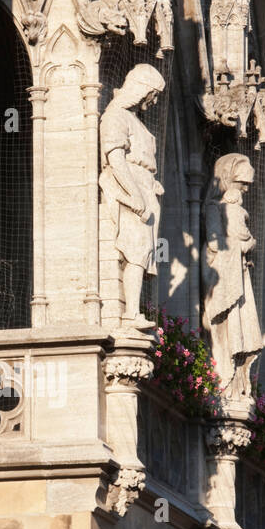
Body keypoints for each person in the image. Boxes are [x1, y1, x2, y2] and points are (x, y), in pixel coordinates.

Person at [99, 63, 166, 331]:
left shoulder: (135, 120)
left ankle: (134, 311)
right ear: (142, 90)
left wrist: (151, 187)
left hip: (145, 189)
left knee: (145, 252)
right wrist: (134, 194)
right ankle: (130, 314)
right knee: (136, 250)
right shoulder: (115, 115)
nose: (155, 100)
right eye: (153, 93)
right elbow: (116, 158)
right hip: (132, 190)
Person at [202, 152, 262, 401]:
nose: (246, 190)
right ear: (228, 180)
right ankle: (224, 379)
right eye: (242, 184)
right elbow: (215, 244)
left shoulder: (230, 210)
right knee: (225, 327)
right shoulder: (215, 209)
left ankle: (237, 384)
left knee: (240, 330)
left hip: (238, 276)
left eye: (248, 185)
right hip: (224, 277)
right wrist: (245, 243)